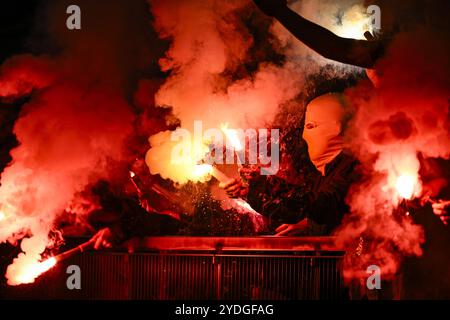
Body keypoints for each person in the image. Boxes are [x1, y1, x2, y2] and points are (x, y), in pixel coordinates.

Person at [221, 93, 359, 236]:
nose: (305, 136)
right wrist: (250, 192)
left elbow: (321, 207)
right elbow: (296, 209)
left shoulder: (353, 168)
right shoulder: (326, 173)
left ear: (337, 127)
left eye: (311, 126)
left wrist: (263, 182)